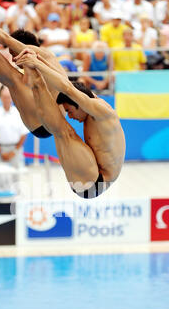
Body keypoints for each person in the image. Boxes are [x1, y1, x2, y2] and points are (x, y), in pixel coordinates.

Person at [12, 48, 125, 198]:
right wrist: (38, 61)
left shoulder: (101, 111)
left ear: (80, 104)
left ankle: (37, 81)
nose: (70, 116)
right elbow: (65, 81)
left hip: (95, 184)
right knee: (61, 128)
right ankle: (37, 79)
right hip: (89, 173)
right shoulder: (89, 100)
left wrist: (37, 65)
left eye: (69, 110)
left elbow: (67, 88)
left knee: (64, 131)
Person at [0, 12, 67, 140]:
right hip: (40, 121)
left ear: (22, 47)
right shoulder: (36, 63)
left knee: (13, 79)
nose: (13, 60)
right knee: (14, 79)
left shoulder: (44, 55)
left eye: (13, 54)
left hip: (50, 118)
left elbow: (5, 39)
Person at [0, 86, 29, 168]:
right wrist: (0, 151)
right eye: (4, 97)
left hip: (16, 150)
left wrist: (14, 151)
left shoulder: (19, 113)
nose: (6, 100)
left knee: (16, 177)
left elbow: (24, 134)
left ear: (12, 98)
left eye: (8, 97)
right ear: (0, 98)